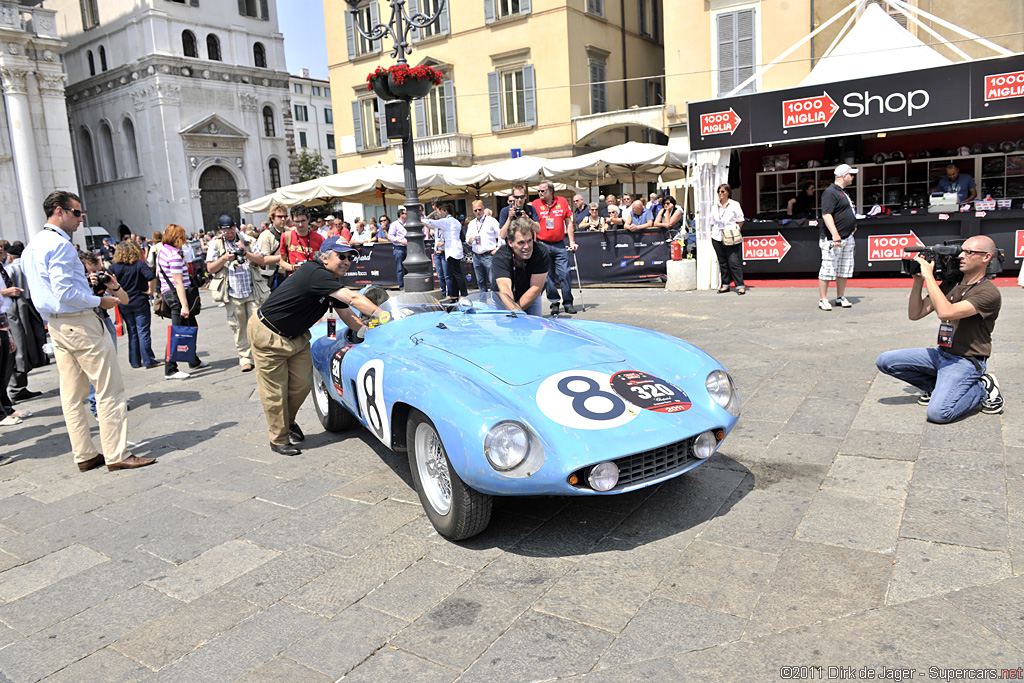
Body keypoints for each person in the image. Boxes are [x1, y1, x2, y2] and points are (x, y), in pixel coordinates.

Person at [22, 191, 154, 470]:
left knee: (72, 395)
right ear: (60, 211)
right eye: (77, 213)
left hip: (57, 325)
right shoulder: (59, 245)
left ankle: (84, 454)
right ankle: (117, 453)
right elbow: (65, 291)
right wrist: (100, 300)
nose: (82, 218)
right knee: (109, 389)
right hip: (79, 320)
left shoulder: (32, 246)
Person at [248, 237, 381, 456]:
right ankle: (278, 438)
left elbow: (347, 315)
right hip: (268, 334)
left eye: (350, 258)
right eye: (342, 256)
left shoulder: (329, 282)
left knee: (301, 385)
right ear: (325, 256)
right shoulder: (315, 272)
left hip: (296, 336)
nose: (347, 261)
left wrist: (371, 334)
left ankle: (287, 422)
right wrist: (384, 315)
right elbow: (353, 298)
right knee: (275, 392)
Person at [875, 236, 1003, 423]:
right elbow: (915, 313)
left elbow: (946, 312)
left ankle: (982, 387)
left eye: (969, 252)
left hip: (966, 361)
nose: (962, 255)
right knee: (885, 361)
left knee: (939, 413)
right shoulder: (951, 285)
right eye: (961, 251)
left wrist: (929, 276)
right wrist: (918, 281)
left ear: (986, 257)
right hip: (942, 354)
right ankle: (936, 386)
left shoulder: (988, 292)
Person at [206, 214, 272, 373]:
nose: (229, 233)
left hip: (252, 290)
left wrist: (245, 253)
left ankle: (259, 356)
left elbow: (261, 260)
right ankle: (245, 358)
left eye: (231, 229)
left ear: (235, 226)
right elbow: (210, 268)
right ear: (220, 230)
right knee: (238, 328)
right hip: (232, 292)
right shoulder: (215, 244)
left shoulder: (248, 240)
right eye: (225, 231)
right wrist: (224, 259)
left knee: (257, 325)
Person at [157, 224, 209, 380]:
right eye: (182, 237)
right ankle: (170, 369)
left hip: (170, 293)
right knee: (177, 331)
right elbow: (178, 282)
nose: (184, 240)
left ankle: (193, 360)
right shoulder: (173, 255)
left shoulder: (163, 251)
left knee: (191, 326)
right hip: (177, 296)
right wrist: (184, 306)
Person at [4, 242, 47, 401]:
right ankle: (15, 388)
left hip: (17, 308)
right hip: (24, 306)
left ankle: (18, 388)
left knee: (20, 348)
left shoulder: (10, 268)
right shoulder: (25, 265)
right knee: (21, 348)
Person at [108, 240, 159, 369]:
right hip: (139, 300)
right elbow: (151, 278)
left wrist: (115, 294)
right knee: (143, 331)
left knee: (133, 332)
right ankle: (148, 359)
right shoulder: (139, 265)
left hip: (124, 303)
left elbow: (108, 284)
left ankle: (135, 361)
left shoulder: (113, 267)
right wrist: (150, 291)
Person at [531, 180, 577, 315]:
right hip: (542, 244)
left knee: (565, 273)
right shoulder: (535, 204)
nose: (539, 193)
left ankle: (568, 303)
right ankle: (554, 302)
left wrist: (572, 241)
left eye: (542, 191)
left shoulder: (562, 201)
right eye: (538, 191)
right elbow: (533, 225)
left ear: (550, 191)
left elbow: (568, 222)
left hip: (559, 244)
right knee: (548, 276)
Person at [819, 164, 858, 311]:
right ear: (844, 176)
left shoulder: (842, 192)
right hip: (833, 239)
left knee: (844, 268)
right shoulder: (830, 192)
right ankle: (823, 298)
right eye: (851, 174)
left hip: (846, 237)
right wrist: (835, 235)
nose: (853, 177)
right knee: (828, 269)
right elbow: (826, 214)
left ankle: (840, 296)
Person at [493, 217, 549, 316]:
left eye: (529, 241)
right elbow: (504, 288)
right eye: (521, 242)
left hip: (530, 294)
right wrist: (514, 310)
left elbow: (536, 288)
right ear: (510, 243)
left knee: (533, 326)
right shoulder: (500, 257)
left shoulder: (541, 252)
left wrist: (516, 311)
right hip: (503, 298)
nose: (527, 246)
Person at [424, 202, 467, 300]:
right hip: (455, 248)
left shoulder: (447, 221)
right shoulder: (455, 221)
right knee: (453, 274)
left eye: (441, 212)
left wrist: (423, 219)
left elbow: (430, 223)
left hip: (452, 249)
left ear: (445, 211)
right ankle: (455, 294)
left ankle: (464, 294)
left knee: (456, 274)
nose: (440, 214)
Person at [711, 184, 746, 295]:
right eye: (718, 192)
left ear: (727, 192)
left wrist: (735, 231)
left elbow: (740, 220)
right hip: (717, 235)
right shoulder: (714, 206)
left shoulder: (734, 205)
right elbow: (712, 222)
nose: (720, 194)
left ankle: (740, 285)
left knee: (733, 261)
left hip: (730, 235)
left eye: (722, 191)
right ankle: (725, 284)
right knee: (722, 262)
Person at [465, 200, 501, 293]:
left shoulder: (491, 221)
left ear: (483, 209)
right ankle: (483, 305)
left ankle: (495, 303)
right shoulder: (472, 223)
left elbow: (501, 234)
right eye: (475, 210)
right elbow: (467, 238)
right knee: (480, 282)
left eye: (479, 209)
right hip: (476, 256)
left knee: (493, 282)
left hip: (489, 255)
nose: (477, 212)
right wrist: (469, 240)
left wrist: (498, 248)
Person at [279, 206, 324, 276]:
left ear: (308, 219)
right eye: (297, 221)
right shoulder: (286, 236)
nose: (300, 224)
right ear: (293, 221)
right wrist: (292, 267)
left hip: (314, 277)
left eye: (303, 221)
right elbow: (282, 261)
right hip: (295, 278)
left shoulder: (319, 238)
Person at [257, 204, 288, 290]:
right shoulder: (265, 236)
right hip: (274, 278)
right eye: (280, 216)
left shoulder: (289, 232)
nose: (283, 219)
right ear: (272, 218)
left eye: (285, 216)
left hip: (289, 276)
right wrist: (282, 257)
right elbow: (262, 260)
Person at [385, 212, 407, 289]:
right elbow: (390, 236)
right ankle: (402, 286)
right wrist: (400, 241)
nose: (407, 215)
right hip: (399, 248)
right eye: (405, 213)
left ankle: (408, 284)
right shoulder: (394, 224)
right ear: (401, 215)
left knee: (408, 267)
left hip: (408, 247)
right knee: (400, 268)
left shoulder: (408, 223)